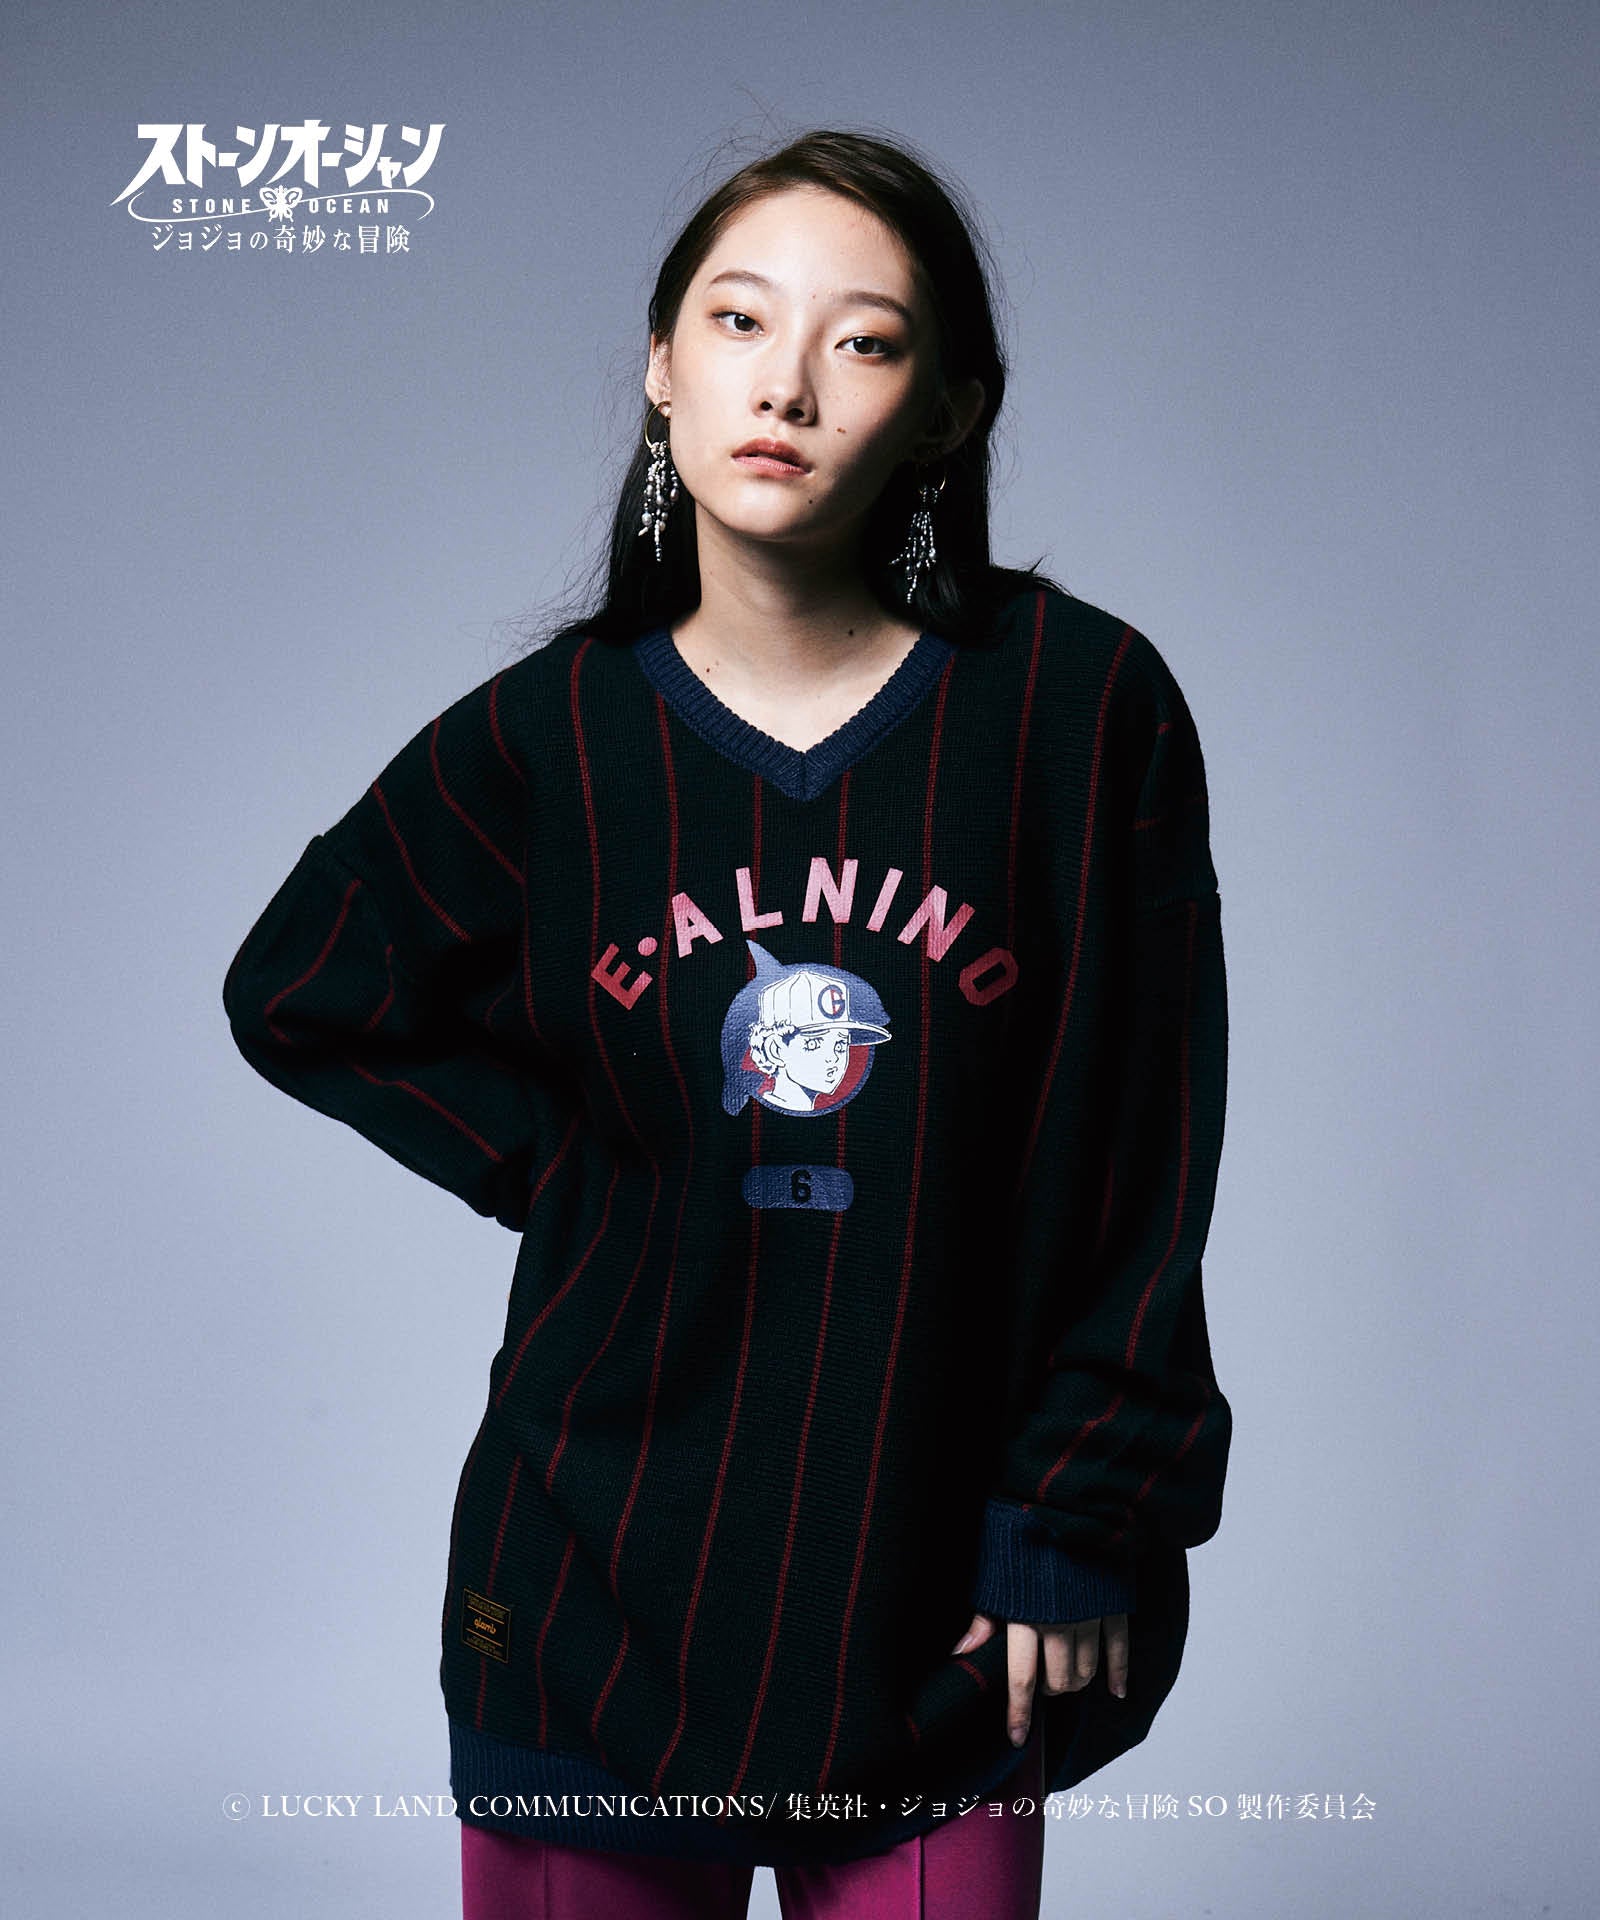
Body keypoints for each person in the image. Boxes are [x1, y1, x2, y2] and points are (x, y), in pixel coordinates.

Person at [222, 127, 1232, 1919]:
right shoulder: (555, 738)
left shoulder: (1075, 713)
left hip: (942, 1592)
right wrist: (574, 1167)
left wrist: (1083, 1504)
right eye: (739, 319)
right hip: (587, 1587)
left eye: (866, 340)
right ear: (662, 368)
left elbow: (1137, 1151)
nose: (786, 384)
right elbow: (302, 988)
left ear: (947, 410)